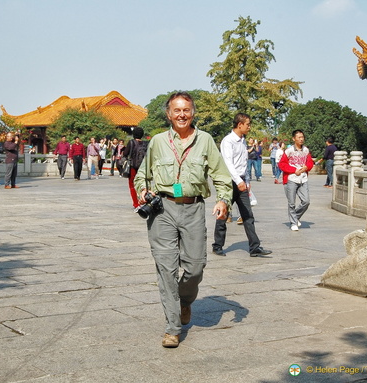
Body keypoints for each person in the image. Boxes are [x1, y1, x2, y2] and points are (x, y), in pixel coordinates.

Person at [134, 91, 232, 348]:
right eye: (176, 110)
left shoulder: (205, 140)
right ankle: (172, 327)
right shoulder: (157, 141)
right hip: (162, 211)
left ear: (192, 112)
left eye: (186, 110)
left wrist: (223, 200)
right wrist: (143, 190)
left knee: (195, 266)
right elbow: (141, 176)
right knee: (166, 270)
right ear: (168, 114)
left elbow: (221, 175)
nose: (181, 115)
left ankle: (185, 301)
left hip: (193, 209)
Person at [212, 113, 273, 258]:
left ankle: (254, 247)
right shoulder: (228, 141)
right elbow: (228, 163)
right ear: (240, 125)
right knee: (223, 213)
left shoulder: (243, 141)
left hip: (241, 181)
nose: (249, 127)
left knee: (248, 215)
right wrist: (238, 181)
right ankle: (217, 245)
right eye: (248, 124)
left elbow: (243, 163)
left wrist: (246, 181)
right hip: (229, 182)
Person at [278, 129, 314, 231]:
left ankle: (295, 217)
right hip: (291, 179)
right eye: (299, 137)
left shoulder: (306, 150)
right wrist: (294, 170)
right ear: (294, 139)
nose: (301, 139)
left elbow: (310, 162)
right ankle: (294, 222)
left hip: (303, 179)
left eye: (302, 137)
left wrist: (306, 167)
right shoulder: (289, 151)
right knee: (291, 203)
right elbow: (282, 164)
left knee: (306, 201)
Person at [123, 127, 148, 209]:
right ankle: (144, 200)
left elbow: (125, 153)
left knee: (132, 185)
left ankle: (136, 203)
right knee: (143, 184)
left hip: (133, 166)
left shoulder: (131, 142)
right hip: (143, 167)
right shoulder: (146, 143)